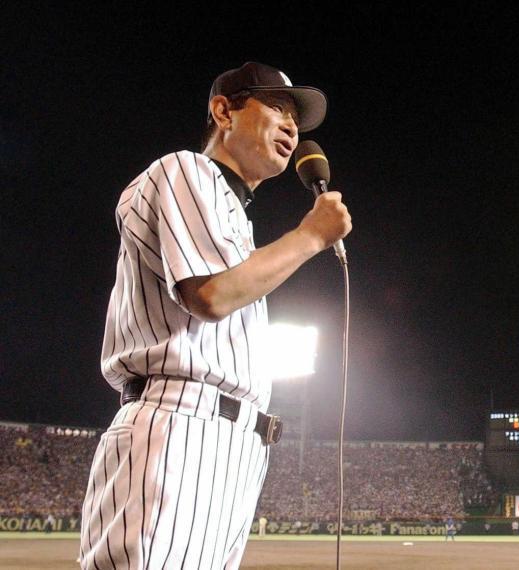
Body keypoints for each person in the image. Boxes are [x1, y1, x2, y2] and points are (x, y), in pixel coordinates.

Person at [78, 61, 351, 570]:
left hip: (233, 443)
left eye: (296, 115)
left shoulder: (231, 214)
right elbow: (212, 295)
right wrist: (311, 236)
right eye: (276, 106)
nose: (293, 126)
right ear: (223, 110)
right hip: (180, 424)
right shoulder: (184, 169)